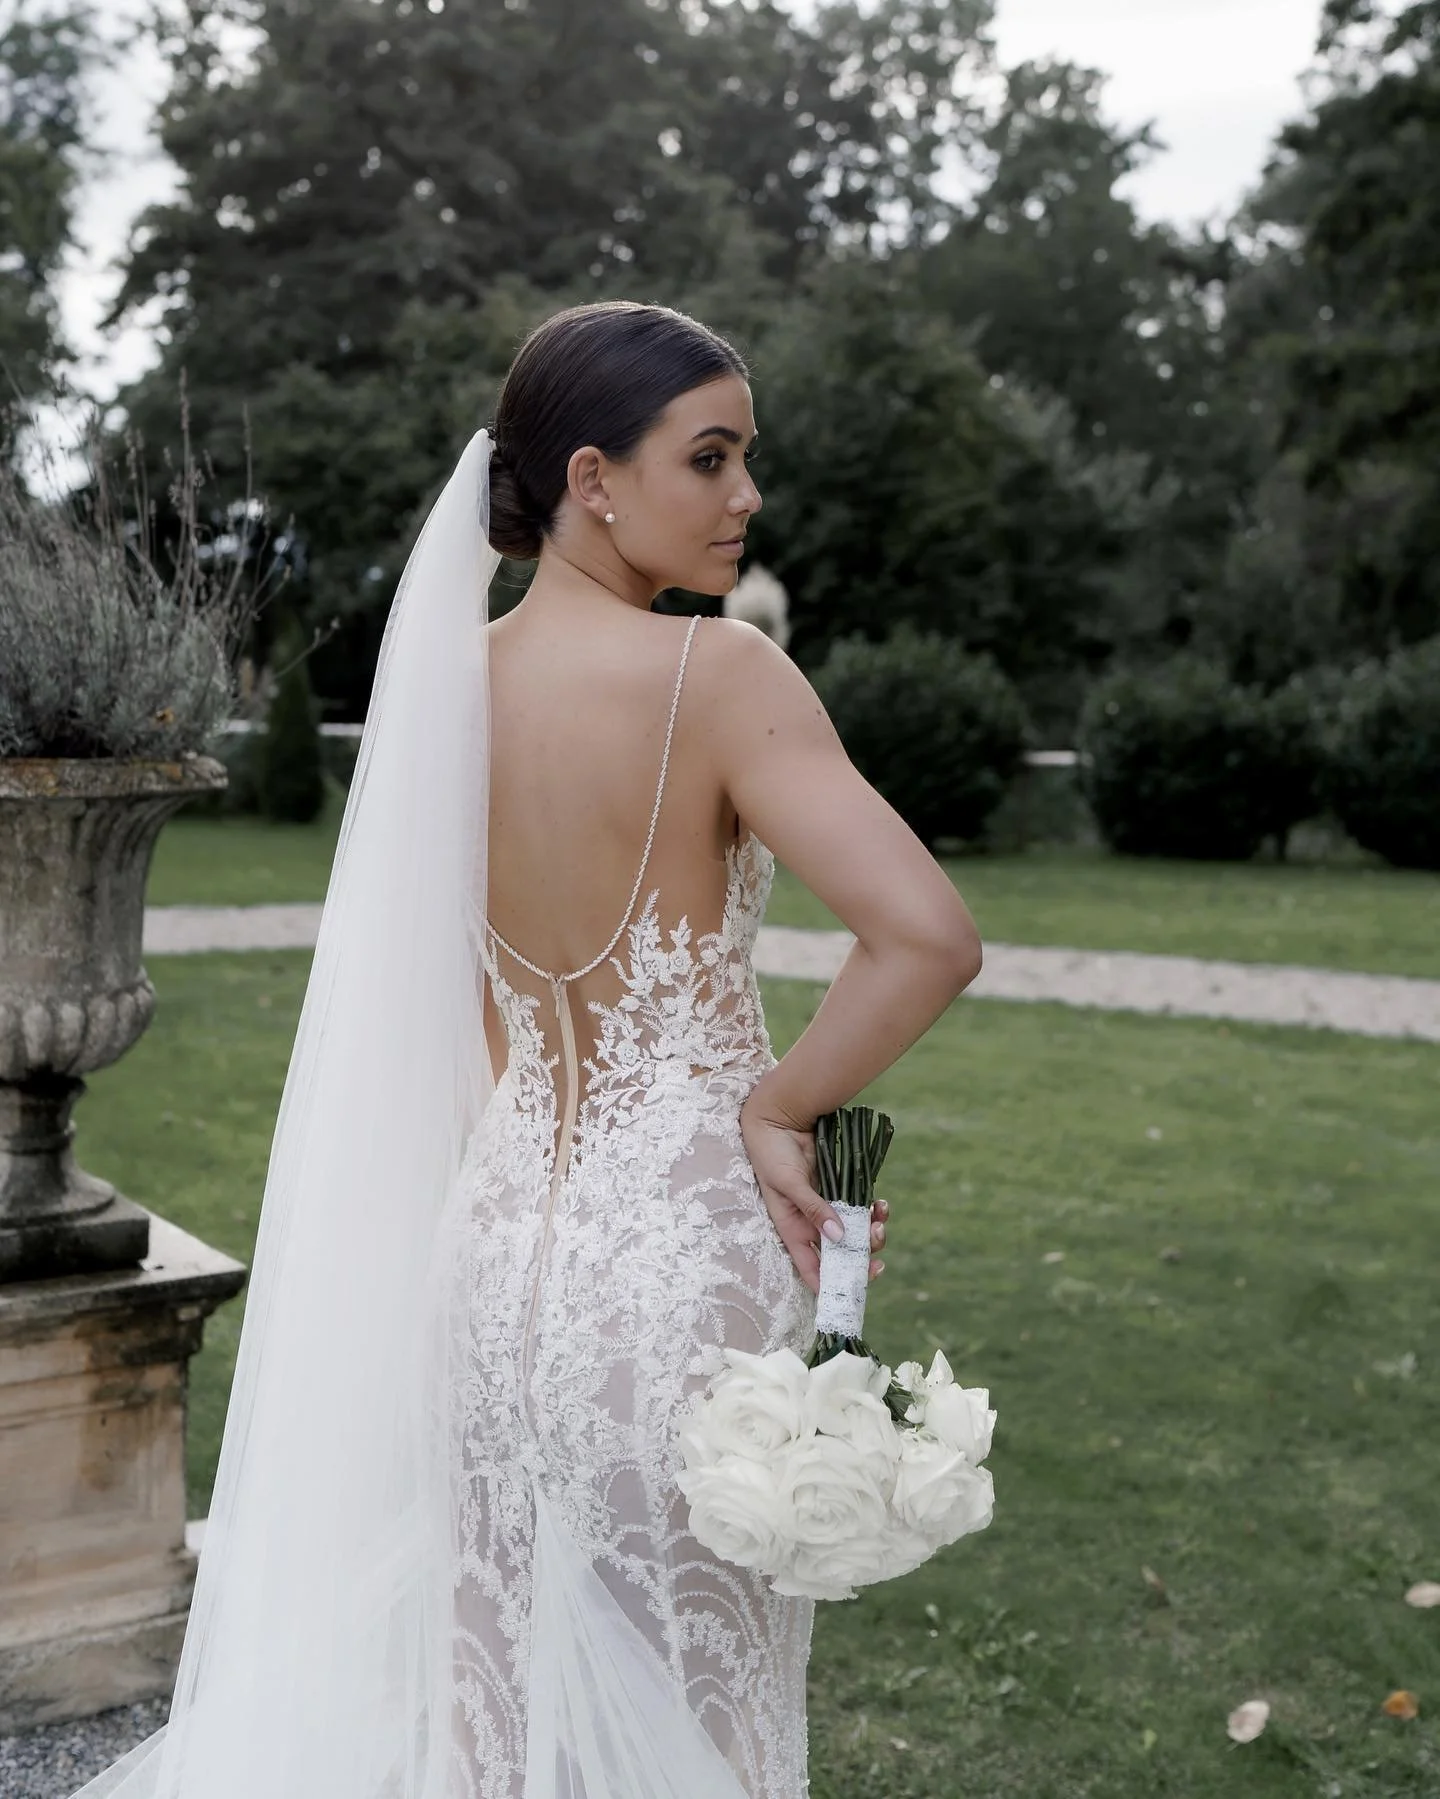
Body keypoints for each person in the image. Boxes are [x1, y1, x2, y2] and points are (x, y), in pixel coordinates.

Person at [66, 301, 980, 1799]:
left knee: (497, 1709)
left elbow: (478, 1006)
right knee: (710, 1709)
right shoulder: (721, 676)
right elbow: (927, 936)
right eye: (711, 457)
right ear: (592, 478)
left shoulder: (449, 693)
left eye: (745, 458)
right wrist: (779, 1105)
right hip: (681, 1262)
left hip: (494, 1262)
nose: (748, 495)